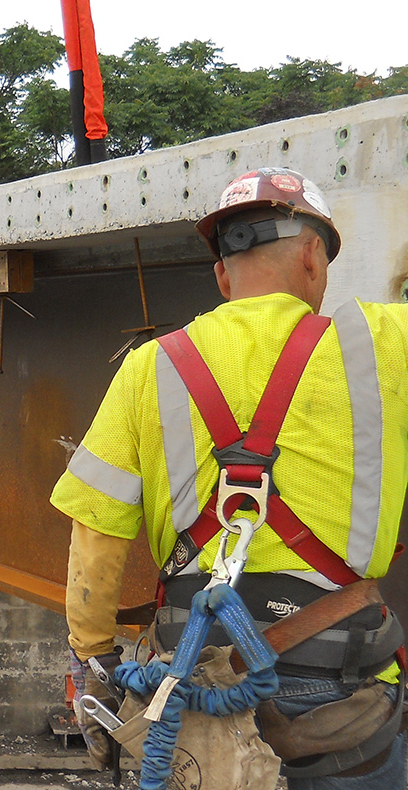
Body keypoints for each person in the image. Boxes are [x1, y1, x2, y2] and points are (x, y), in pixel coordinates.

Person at [52, 168, 407, 788]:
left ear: (222, 274)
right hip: (340, 695)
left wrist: (94, 662)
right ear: (313, 256)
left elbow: (96, 534)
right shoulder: (386, 345)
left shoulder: (150, 367)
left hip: (195, 680)